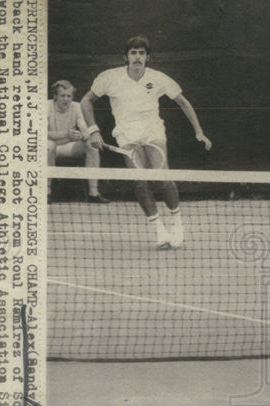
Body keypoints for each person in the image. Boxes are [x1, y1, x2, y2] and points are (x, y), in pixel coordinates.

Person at [82, 35, 212, 249]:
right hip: (126, 134)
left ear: (148, 58)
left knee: (162, 178)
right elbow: (87, 100)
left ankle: (177, 225)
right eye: (133, 53)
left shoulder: (159, 78)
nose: (137, 57)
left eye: (142, 53)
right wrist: (93, 130)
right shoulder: (109, 77)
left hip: (152, 131)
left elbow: (183, 102)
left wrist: (199, 131)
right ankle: (160, 231)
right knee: (140, 182)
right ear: (125, 57)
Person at [47, 80, 108, 203]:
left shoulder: (77, 107)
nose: (66, 99)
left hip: (69, 148)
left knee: (92, 146)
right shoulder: (45, 106)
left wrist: (84, 136)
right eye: (62, 96)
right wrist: (65, 134)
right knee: (48, 145)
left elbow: (84, 128)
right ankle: (46, 192)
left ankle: (93, 193)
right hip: (48, 149)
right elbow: (37, 135)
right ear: (55, 96)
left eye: (69, 96)